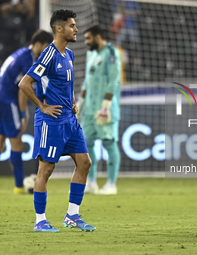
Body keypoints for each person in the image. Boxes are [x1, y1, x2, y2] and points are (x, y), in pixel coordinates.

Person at [18, 9, 96, 232]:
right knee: (46, 169)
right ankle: (40, 220)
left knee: (84, 162)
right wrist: (42, 106)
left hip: (69, 120)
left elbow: (65, 84)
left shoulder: (69, 55)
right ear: (59, 29)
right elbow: (24, 84)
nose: (76, 29)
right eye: (72, 26)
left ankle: (72, 215)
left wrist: (72, 101)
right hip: (50, 121)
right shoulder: (48, 55)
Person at [0, 29, 53, 195]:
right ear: (39, 44)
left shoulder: (20, 52)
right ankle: (19, 186)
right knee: (16, 142)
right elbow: (22, 89)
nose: (47, 51)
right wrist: (23, 113)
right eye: (46, 47)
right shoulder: (28, 59)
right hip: (7, 100)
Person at [77, 25, 121, 195]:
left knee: (109, 143)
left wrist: (106, 106)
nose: (86, 42)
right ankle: (91, 182)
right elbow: (87, 81)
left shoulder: (111, 53)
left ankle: (111, 184)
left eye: (88, 38)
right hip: (89, 109)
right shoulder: (91, 54)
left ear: (97, 36)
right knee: (86, 145)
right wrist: (80, 102)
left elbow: (114, 80)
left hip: (105, 109)